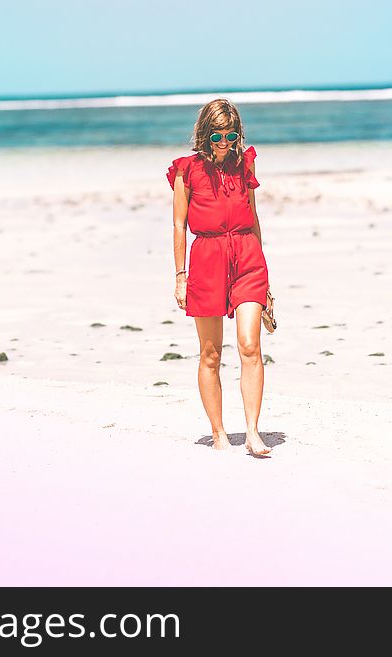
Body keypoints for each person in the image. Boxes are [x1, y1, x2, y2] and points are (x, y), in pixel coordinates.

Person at [166, 98, 273, 456]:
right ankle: (218, 433)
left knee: (249, 345)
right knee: (210, 354)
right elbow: (179, 225)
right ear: (204, 135)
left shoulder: (245, 165)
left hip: (246, 256)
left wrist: (266, 281)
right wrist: (181, 276)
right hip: (207, 259)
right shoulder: (187, 171)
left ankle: (254, 432)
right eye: (216, 136)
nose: (224, 143)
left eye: (230, 135)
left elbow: (254, 218)